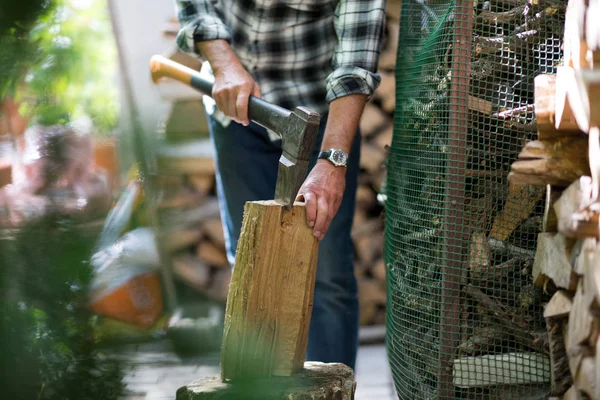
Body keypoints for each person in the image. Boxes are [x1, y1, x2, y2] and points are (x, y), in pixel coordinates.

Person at [174, 0, 386, 369]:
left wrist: (333, 159)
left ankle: (329, 392)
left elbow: (356, 58)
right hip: (236, 113)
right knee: (250, 269)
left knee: (327, 278)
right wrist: (223, 64)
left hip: (317, 116)